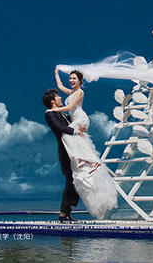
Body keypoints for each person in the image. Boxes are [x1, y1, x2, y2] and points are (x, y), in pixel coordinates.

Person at [47, 68, 118, 219]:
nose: (71, 81)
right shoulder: (71, 93)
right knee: (72, 138)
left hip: (80, 118)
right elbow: (60, 87)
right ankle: (85, 160)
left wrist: (52, 110)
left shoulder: (79, 93)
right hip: (75, 120)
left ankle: (85, 159)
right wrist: (56, 73)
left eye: (74, 79)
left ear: (80, 81)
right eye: (70, 78)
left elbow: (68, 108)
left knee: (69, 135)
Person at [43, 88, 82, 223]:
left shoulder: (63, 115)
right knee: (70, 181)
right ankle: (63, 214)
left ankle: (68, 212)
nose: (60, 99)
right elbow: (61, 128)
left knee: (77, 180)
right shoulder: (50, 114)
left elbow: (72, 122)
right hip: (65, 152)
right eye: (58, 97)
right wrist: (76, 132)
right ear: (52, 101)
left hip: (74, 149)